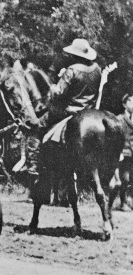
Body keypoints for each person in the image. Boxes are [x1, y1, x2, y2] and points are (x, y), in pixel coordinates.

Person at [27, 39, 102, 174]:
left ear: (76, 55)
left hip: (69, 111)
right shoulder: (97, 69)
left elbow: (58, 94)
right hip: (89, 111)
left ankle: (33, 164)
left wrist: (56, 83)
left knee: (38, 126)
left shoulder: (72, 70)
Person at [115, 93, 133, 211]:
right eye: (131, 102)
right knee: (125, 179)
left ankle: (129, 200)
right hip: (124, 152)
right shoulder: (119, 119)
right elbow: (116, 139)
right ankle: (122, 203)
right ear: (124, 104)